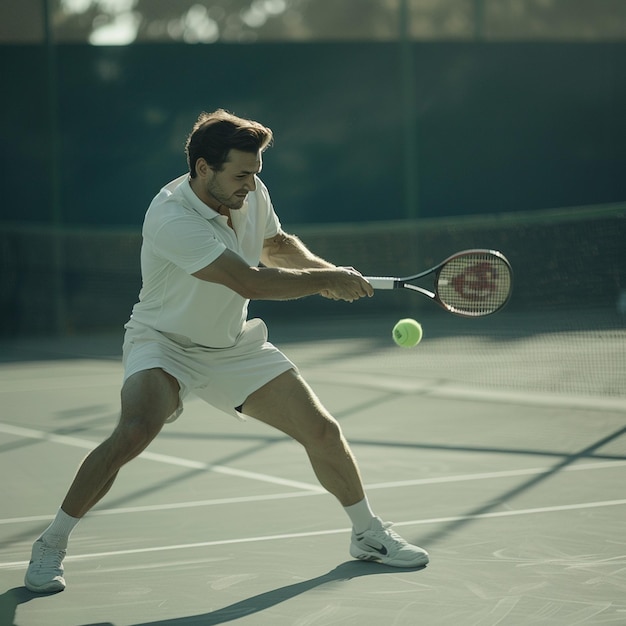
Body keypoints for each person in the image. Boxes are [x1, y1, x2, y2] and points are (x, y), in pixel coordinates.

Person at [25, 109, 429, 593]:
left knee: (321, 430)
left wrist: (329, 272)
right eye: (240, 174)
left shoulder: (250, 189)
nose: (250, 184)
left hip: (229, 344)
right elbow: (249, 278)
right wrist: (326, 281)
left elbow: (275, 246)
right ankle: (51, 544)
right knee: (135, 429)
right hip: (163, 341)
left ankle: (368, 535)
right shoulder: (170, 215)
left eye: (256, 173)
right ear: (202, 168)